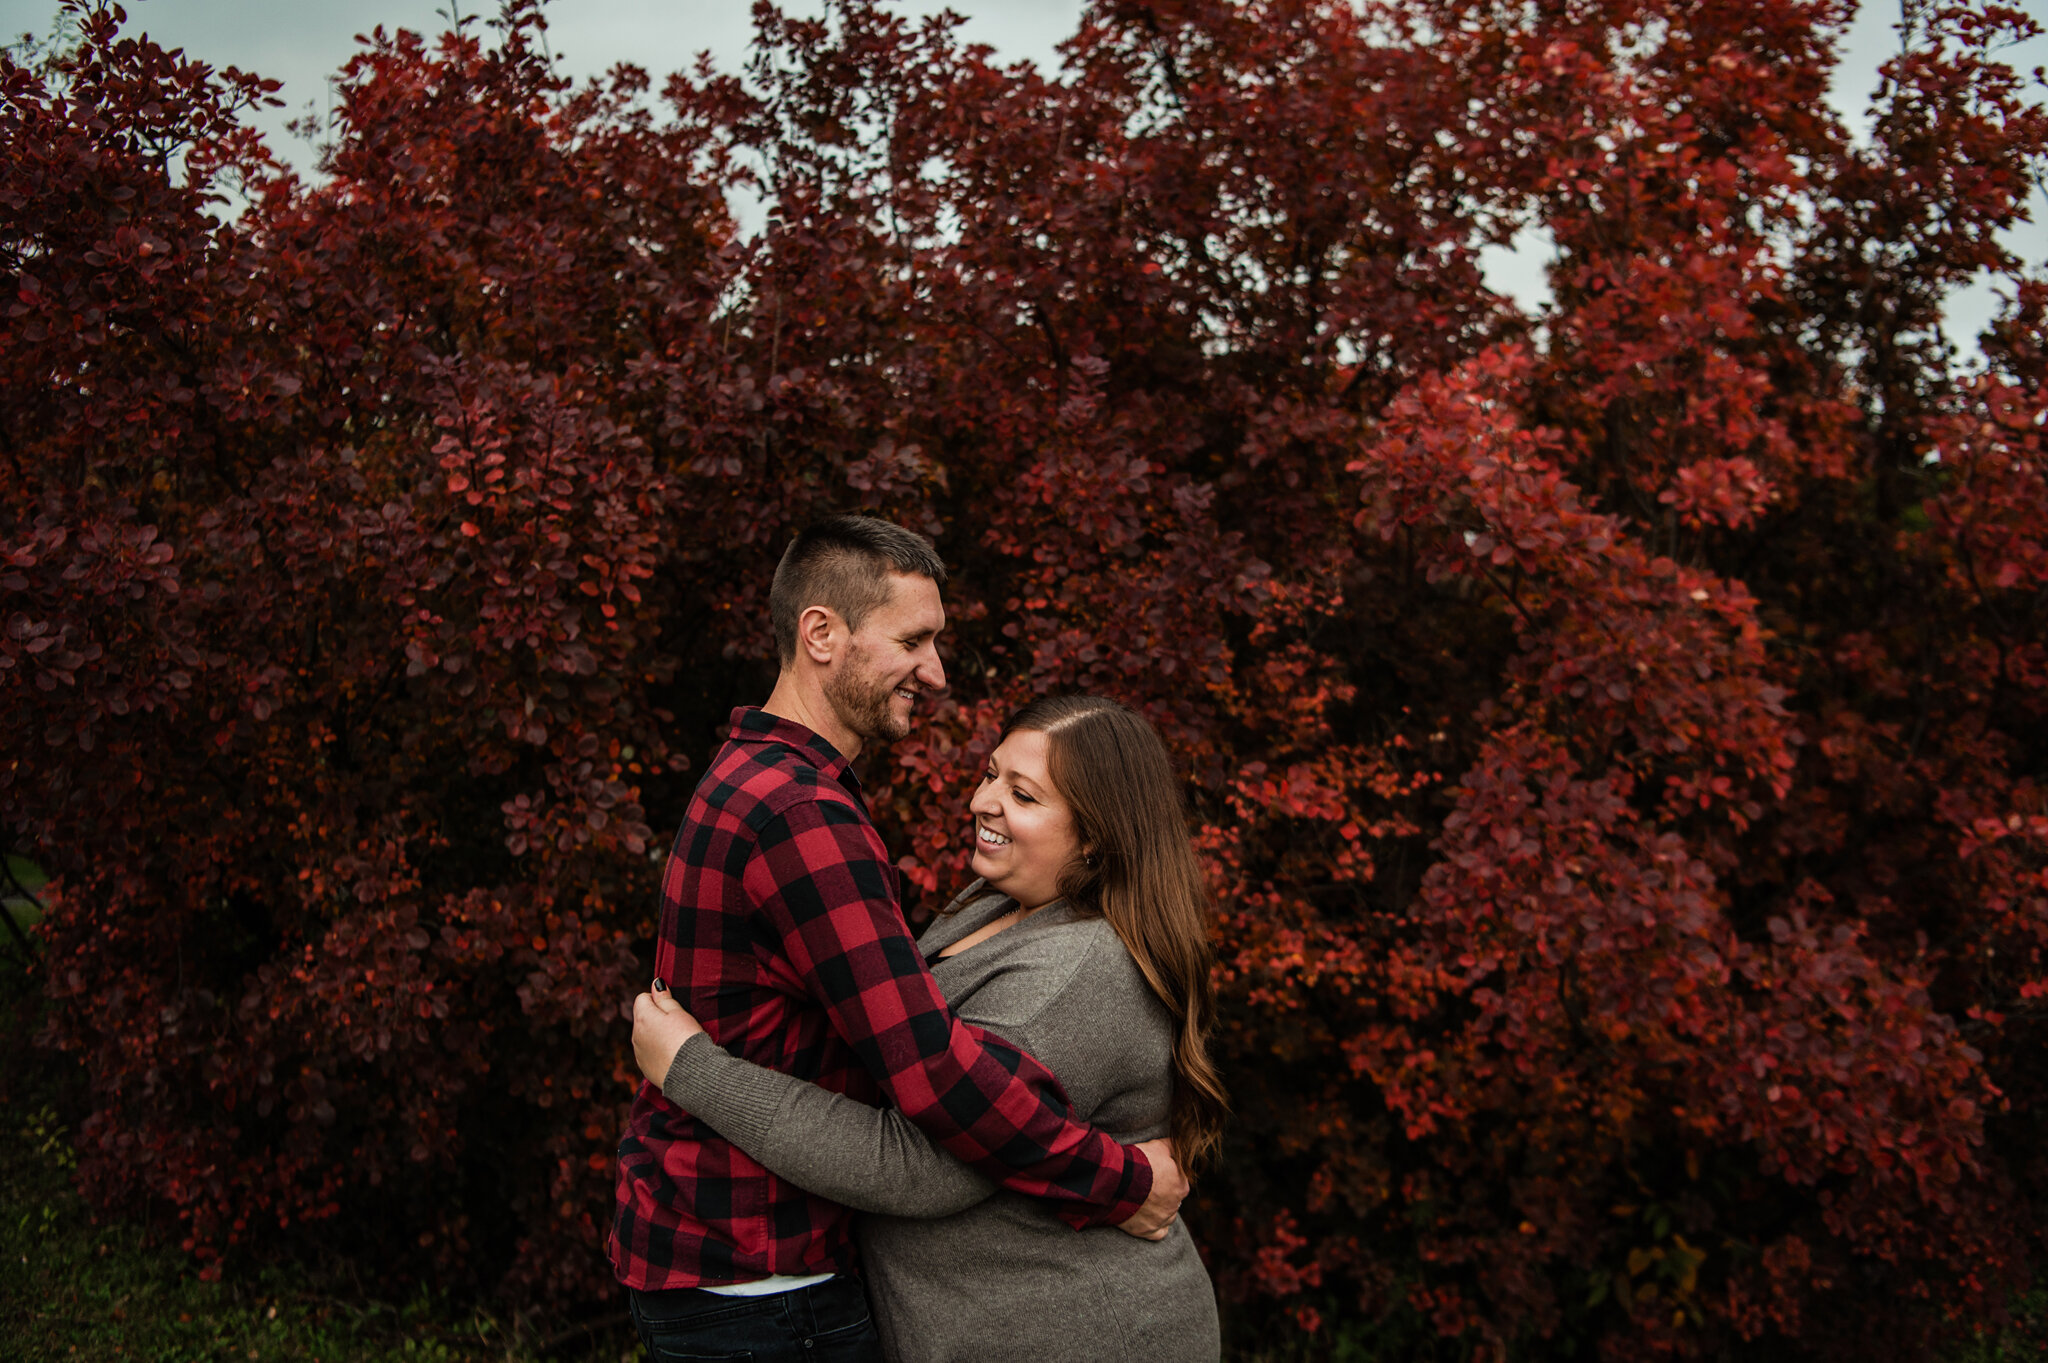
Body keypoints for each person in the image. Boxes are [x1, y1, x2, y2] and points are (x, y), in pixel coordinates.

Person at [610, 517, 1188, 1363]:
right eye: (913, 640)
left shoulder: (755, 775)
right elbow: (931, 1072)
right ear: (822, 634)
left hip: (725, 1259)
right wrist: (1123, 1180)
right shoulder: (803, 814)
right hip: (764, 1279)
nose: (936, 670)